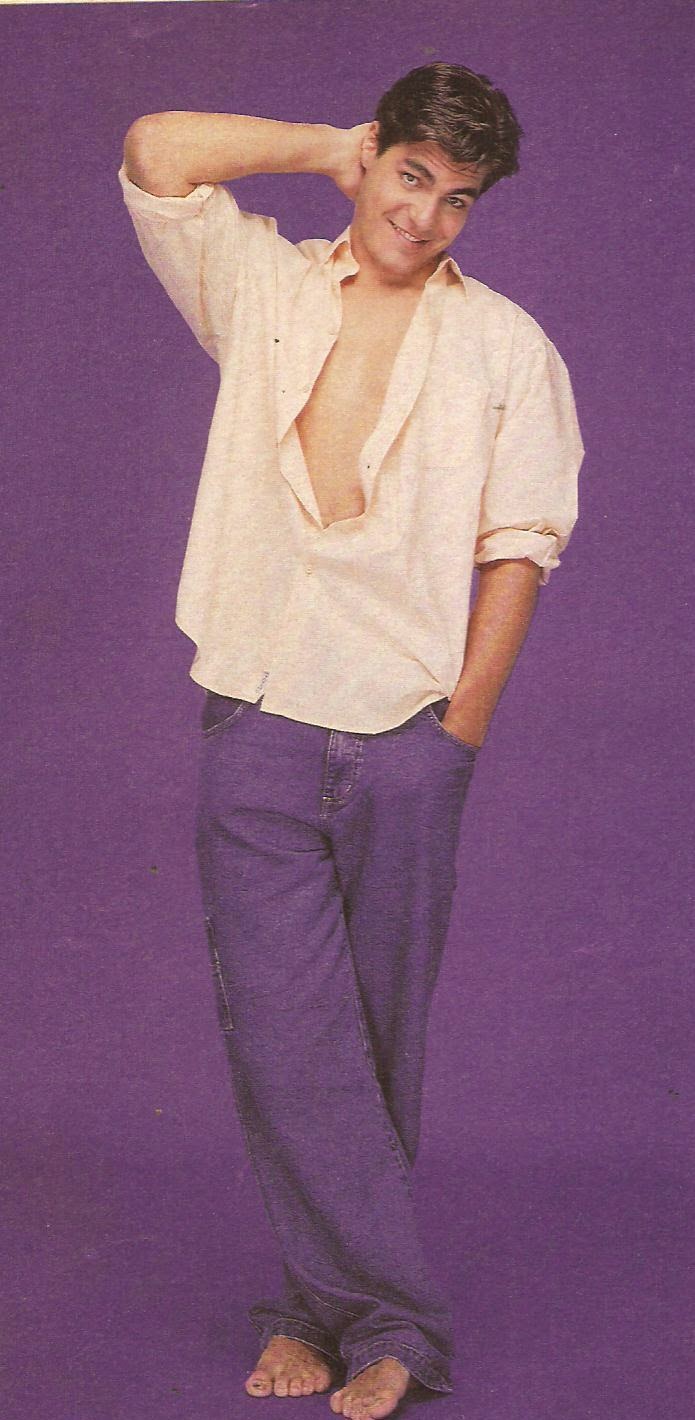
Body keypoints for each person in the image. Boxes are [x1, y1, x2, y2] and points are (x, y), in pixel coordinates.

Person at [119, 62, 584, 1419]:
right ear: (375, 158)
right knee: (286, 1043)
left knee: (373, 1046)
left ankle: (316, 1316)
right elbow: (156, 150)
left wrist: (458, 733)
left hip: (405, 734)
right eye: (410, 175)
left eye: (459, 198)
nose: (425, 216)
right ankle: (401, 1328)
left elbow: (518, 550)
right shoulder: (261, 288)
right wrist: (326, 144)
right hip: (259, 712)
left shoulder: (506, 347)